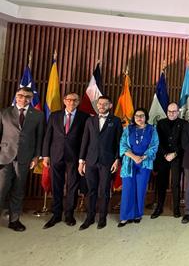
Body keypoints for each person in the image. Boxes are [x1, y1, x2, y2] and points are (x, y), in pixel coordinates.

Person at [0, 87, 45, 232]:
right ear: (16, 96)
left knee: (18, 190)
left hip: (25, 158)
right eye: (20, 95)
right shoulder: (4, 112)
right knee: (1, 188)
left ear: (31, 98)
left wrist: (36, 157)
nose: (23, 99)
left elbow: (39, 138)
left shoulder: (38, 115)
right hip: (4, 157)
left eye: (27, 97)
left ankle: (14, 220)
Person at [42, 92, 90, 228]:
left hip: (74, 157)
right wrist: (45, 155)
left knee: (72, 186)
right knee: (56, 185)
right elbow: (48, 136)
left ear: (78, 102)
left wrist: (83, 159)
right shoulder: (54, 115)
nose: (71, 102)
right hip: (55, 155)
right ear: (64, 101)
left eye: (75, 100)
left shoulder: (84, 117)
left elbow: (86, 139)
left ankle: (69, 214)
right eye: (69, 100)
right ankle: (56, 214)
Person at [77, 95, 123, 230]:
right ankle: (90, 218)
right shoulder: (90, 120)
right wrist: (81, 161)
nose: (101, 106)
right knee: (91, 190)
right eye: (100, 104)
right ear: (97, 105)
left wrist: (117, 160)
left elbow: (119, 142)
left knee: (104, 191)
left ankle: (102, 218)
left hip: (107, 161)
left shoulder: (116, 121)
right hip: (90, 161)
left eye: (105, 104)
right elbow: (84, 141)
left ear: (110, 105)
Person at [118, 108, 159, 227]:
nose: (139, 118)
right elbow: (122, 145)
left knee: (140, 189)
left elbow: (154, 145)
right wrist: (134, 157)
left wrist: (143, 157)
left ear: (146, 117)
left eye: (142, 116)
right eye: (137, 116)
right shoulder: (128, 129)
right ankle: (125, 216)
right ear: (134, 117)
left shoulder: (152, 129)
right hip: (129, 163)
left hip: (144, 163)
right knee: (127, 189)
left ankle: (137, 214)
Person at [152, 102, 185, 219]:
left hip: (177, 157)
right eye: (169, 111)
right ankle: (159, 207)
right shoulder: (160, 123)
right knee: (161, 183)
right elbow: (157, 141)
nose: (171, 113)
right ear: (166, 112)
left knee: (176, 183)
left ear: (178, 112)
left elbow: (184, 142)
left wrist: (174, 154)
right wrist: (166, 154)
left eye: (174, 111)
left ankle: (176, 208)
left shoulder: (184, 123)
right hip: (163, 157)